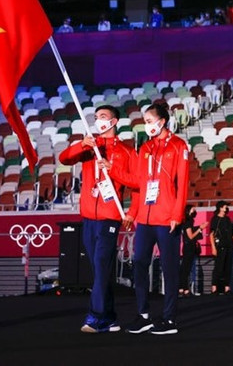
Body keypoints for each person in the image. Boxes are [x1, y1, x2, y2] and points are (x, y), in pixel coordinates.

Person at [104, 101, 190, 335]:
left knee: (169, 269)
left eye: (150, 122)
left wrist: (177, 215)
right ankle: (143, 315)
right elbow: (138, 183)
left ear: (162, 122)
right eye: (145, 122)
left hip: (167, 219)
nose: (147, 126)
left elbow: (182, 185)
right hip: (146, 219)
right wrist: (112, 170)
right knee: (139, 264)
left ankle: (169, 319)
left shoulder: (178, 146)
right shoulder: (146, 149)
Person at [59, 104, 137, 333]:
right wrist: (82, 144)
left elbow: (136, 183)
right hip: (88, 217)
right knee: (99, 269)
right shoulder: (90, 146)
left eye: (103, 117)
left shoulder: (126, 151)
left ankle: (96, 317)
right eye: (96, 117)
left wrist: (132, 212)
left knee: (102, 264)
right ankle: (111, 316)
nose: (98, 120)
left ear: (113, 121)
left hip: (110, 217)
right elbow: (64, 158)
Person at [210, 200, 233, 295]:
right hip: (220, 245)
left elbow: (231, 233)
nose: (226, 208)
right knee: (219, 266)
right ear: (220, 208)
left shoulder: (227, 219)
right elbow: (212, 234)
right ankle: (214, 287)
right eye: (225, 206)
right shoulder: (215, 219)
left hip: (229, 245)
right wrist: (213, 247)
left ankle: (227, 288)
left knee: (228, 266)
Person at [178, 205, 204, 297]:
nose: (195, 211)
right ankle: (183, 288)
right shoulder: (188, 222)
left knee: (186, 268)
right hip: (188, 247)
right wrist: (200, 228)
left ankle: (183, 288)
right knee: (186, 268)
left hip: (189, 246)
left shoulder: (189, 221)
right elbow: (190, 236)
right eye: (193, 209)